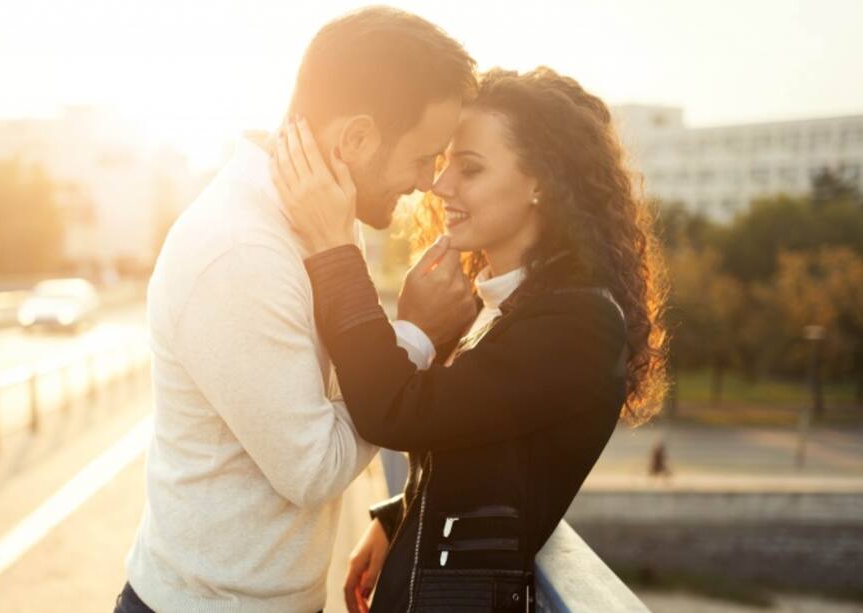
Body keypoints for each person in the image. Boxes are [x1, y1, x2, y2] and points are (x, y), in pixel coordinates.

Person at [114, 7, 477, 613]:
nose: (427, 182)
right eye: (424, 157)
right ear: (356, 138)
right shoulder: (241, 252)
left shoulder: (324, 216)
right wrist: (414, 334)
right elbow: (313, 470)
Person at [272, 66, 669, 612]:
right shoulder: (511, 306)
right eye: (443, 163)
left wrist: (333, 250)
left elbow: (393, 410)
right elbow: (478, 435)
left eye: (470, 168)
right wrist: (399, 517)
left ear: (542, 184)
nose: (440, 185)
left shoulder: (576, 321)